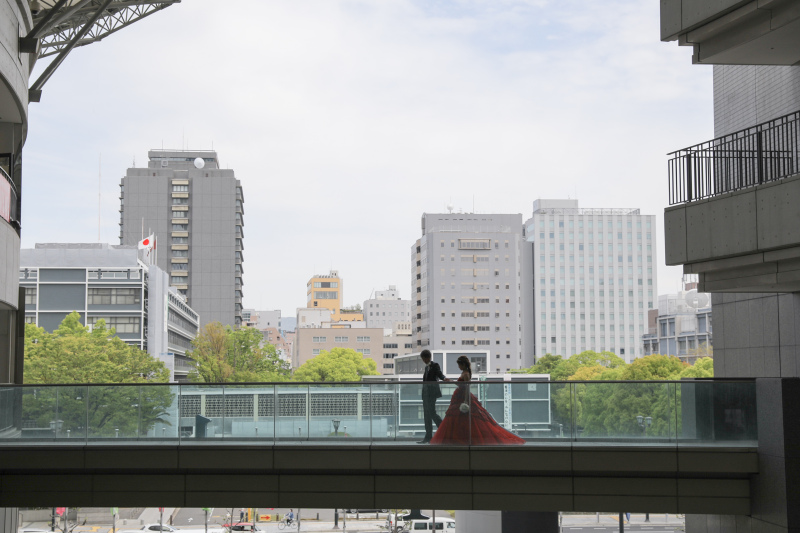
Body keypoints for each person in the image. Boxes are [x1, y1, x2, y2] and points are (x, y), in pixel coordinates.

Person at [430, 356, 526, 445]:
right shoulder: (465, 373)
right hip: (460, 396)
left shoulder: (466, 374)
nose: (458, 366)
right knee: (463, 418)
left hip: (462, 397)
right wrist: (451, 381)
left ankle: (462, 439)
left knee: (462, 418)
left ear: (463, 364)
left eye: (459, 364)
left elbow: (467, 388)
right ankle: (462, 438)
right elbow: (462, 385)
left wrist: (466, 401)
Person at [419, 349, 448, 444]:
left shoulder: (435, 365)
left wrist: (444, 378)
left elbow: (439, 374)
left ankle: (443, 429)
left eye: (423, 358)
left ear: (427, 358)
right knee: (427, 415)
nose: (423, 361)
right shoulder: (426, 368)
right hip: (426, 394)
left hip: (431, 393)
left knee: (431, 413)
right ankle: (428, 436)